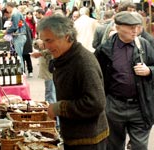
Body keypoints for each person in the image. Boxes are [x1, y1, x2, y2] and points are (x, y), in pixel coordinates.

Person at [37, 15, 109, 150]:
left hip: (88, 140)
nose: (46, 46)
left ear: (66, 36)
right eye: (44, 41)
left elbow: (96, 103)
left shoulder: (83, 62)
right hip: (74, 135)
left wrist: (59, 108)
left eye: (49, 41)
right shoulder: (64, 57)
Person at [95, 11, 154, 150]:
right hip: (114, 106)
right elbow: (96, 76)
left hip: (140, 105)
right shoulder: (105, 49)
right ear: (117, 28)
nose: (135, 31)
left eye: (137, 26)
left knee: (140, 146)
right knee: (113, 146)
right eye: (130, 27)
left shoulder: (144, 45)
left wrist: (149, 71)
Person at [3, 2, 27, 69]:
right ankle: (21, 71)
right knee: (19, 55)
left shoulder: (15, 14)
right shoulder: (16, 13)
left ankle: (21, 71)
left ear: (9, 7)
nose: (7, 10)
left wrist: (6, 31)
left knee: (18, 56)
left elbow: (15, 26)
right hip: (20, 36)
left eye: (6, 8)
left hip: (19, 36)